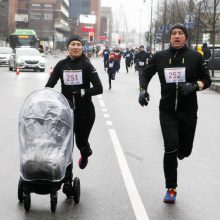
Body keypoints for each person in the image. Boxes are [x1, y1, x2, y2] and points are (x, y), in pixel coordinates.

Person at [138, 23, 211, 204]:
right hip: (167, 110)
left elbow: (207, 80)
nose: (176, 36)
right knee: (170, 147)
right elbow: (145, 74)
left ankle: (182, 151)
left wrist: (194, 86)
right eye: (173, 33)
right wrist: (142, 90)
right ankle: (171, 188)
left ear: (185, 37)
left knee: (185, 150)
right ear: (170, 37)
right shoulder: (160, 57)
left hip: (188, 111)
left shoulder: (195, 57)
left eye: (180, 33)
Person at [45, 35, 103, 170]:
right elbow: (50, 85)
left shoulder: (87, 65)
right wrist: (45, 97)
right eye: (73, 44)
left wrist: (82, 92)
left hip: (85, 112)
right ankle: (66, 174)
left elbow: (99, 88)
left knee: (80, 142)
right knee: (65, 143)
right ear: (68, 47)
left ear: (82, 48)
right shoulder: (61, 65)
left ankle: (85, 153)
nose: (76, 47)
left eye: (78, 44)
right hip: (65, 111)